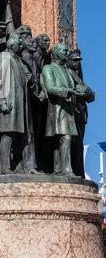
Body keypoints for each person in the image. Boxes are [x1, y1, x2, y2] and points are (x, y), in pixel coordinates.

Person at [0, 33, 37, 174]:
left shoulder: (19, 61)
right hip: (10, 103)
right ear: (12, 45)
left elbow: (26, 82)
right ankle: (5, 167)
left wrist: (29, 80)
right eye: (19, 44)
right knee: (8, 135)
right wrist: (1, 103)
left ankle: (29, 166)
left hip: (22, 105)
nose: (21, 46)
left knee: (26, 135)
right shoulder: (3, 57)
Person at [41, 43, 85, 177]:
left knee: (62, 139)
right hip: (57, 109)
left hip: (68, 110)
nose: (67, 53)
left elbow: (79, 86)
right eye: (64, 51)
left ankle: (58, 169)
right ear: (56, 53)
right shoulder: (48, 68)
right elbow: (50, 87)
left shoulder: (67, 71)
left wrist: (80, 90)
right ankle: (67, 170)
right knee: (65, 138)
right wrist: (68, 91)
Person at [67, 49, 95, 177]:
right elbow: (79, 91)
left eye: (78, 61)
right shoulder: (67, 74)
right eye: (74, 60)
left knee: (78, 144)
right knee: (74, 144)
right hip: (72, 112)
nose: (77, 63)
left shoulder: (77, 75)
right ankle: (75, 170)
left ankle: (79, 171)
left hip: (81, 114)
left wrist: (86, 91)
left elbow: (90, 94)